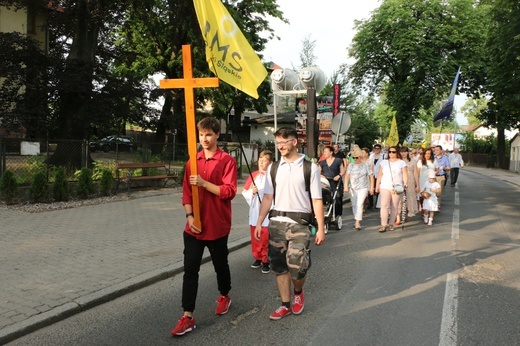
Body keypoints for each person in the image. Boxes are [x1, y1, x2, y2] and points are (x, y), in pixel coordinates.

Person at [171, 117, 237, 336]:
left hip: (217, 225)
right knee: (190, 270)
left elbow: (229, 191)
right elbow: (186, 192)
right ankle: (187, 315)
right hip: (194, 227)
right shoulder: (193, 160)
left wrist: (205, 183)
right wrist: (189, 216)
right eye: (202, 135)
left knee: (220, 266)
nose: (205, 139)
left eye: (209, 134)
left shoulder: (227, 161)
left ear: (217, 135)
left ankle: (225, 294)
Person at [254, 127, 325, 320]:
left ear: (294, 142)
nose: (280, 146)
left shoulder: (309, 168)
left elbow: (317, 200)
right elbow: (268, 197)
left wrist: (320, 227)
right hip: (277, 223)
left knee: (297, 266)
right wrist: (260, 221)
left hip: (300, 224)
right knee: (279, 266)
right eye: (278, 142)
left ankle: (298, 292)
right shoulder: (274, 168)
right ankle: (285, 304)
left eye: (284, 141)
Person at [242, 150, 273, 274]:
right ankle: (258, 257)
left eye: (264, 160)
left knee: (265, 236)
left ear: (270, 163)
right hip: (255, 211)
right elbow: (245, 192)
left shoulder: (272, 177)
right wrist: (252, 192)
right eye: (260, 160)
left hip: (267, 213)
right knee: (255, 236)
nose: (261, 162)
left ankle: (266, 259)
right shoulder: (253, 175)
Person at [375, 146, 408, 232]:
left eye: (393, 152)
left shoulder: (401, 163)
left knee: (394, 206)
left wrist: (405, 183)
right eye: (390, 152)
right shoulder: (384, 162)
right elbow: (380, 175)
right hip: (385, 186)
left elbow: (404, 174)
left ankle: (391, 224)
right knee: (384, 206)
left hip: (396, 187)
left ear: (397, 153)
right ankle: (383, 225)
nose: (391, 154)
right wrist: (377, 185)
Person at [344, 147, 374, 230]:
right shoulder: (351, 165)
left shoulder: (365, 164)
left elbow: (371, 176)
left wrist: (372, 187)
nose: (355, 159)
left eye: (356, 157)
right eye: (353, 158)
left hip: (363, 187)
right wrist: (346, 186)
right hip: (353, 188)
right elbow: (347, 176)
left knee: (360, 204)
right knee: (354, 204)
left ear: (360, 157)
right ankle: (356, 218)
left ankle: (357, 222)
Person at [318, 146, 346, 218]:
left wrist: (339, 175)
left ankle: (337, 214)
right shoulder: (322, 163)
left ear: (331, 152)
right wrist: (321, 175)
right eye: (324, 152)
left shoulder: (338, 160)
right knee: (326, 197)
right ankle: (327, 212)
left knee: (337, 198)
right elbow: (318, 171)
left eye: (326, 152)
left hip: (335, 181)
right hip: (325, 182)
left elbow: (343, 171)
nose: (324, 153)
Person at [396, 147, 419, 224]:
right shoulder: (398, 161)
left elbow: (415, 173)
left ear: (408, 152)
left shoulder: (413, 161)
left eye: (405, 152)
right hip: (399, 181)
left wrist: (417, 185)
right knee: (399, 198)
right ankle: (398, 217)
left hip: (410, 181)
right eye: (402, 152)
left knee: (409, 198)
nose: (403, 153)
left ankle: (405, 213)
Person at [417, 148, 438, 217]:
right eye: (426, 153)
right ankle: (423, 210)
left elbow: (437, 170)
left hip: (431, 182)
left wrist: (433, 174)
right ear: (424, 154)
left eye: (429, 153)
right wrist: (416, 182)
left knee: (430, 196)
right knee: (422, 196)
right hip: (422, 181)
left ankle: (429, 211)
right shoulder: (420, 162)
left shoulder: (434, 161)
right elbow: (418, 172)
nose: (427, 155)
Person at [368, 144, 384, 209]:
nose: (376, 150)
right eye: (375, 148)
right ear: (374, 149)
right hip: (372, 174)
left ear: (380, 149)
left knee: (378, 189)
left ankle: (377, 203)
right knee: (371, 188)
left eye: (378, 148)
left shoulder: (383, 156)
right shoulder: (371, 156)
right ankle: (370, 203)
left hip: (380, 175)